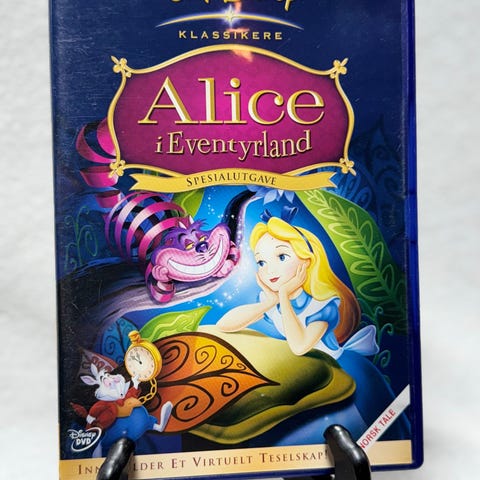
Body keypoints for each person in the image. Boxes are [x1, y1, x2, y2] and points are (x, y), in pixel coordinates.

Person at [217, 216, 377, 358]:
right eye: (262, 262)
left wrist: (284, 295)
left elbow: (299, 347)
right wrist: (270, 303)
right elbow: (224, 325)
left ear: (306, 261)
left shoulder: (322, 306)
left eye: (282, 257)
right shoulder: (274, 301)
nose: (269, 270)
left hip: (336, 367)